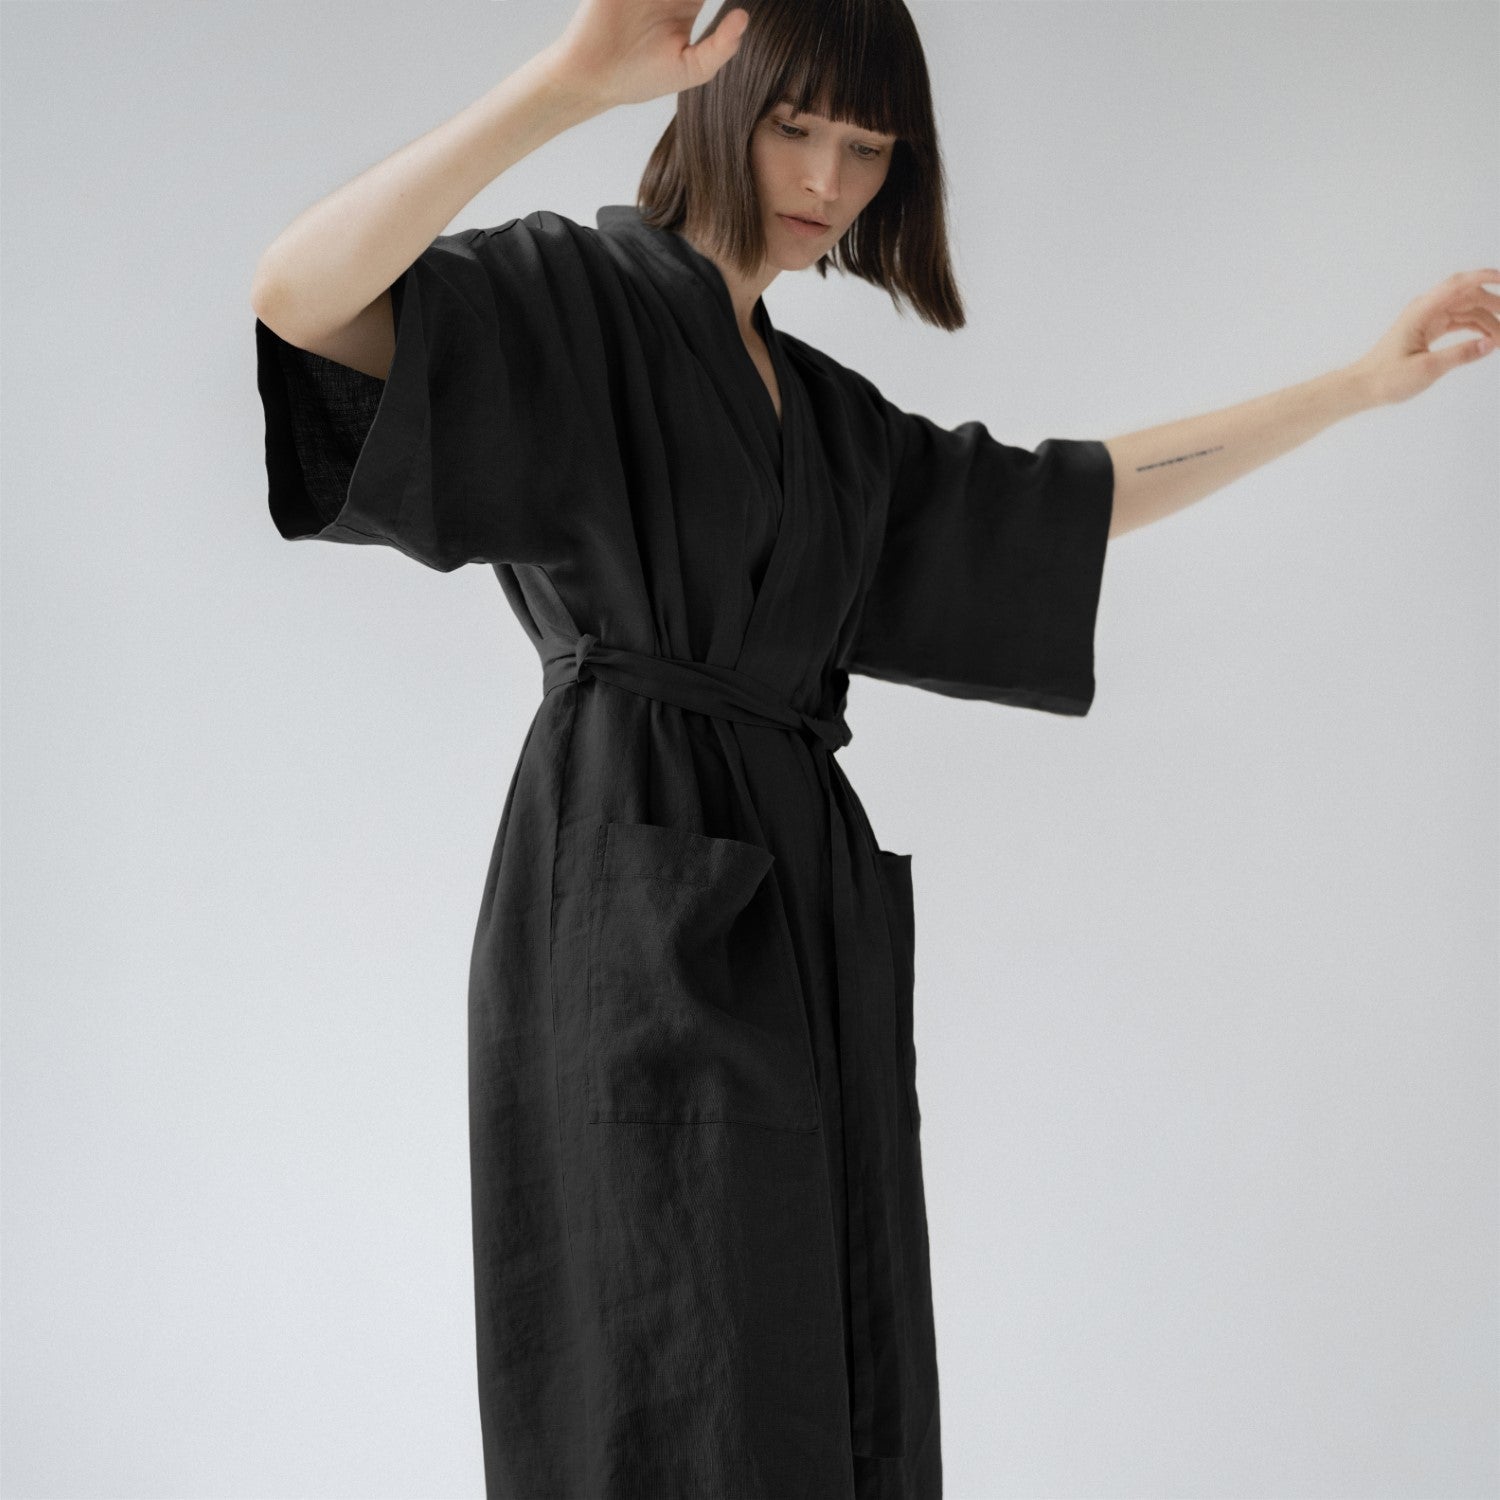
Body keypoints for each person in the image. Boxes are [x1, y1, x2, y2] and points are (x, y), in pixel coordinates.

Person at [250, 1, 1497, 1495]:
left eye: (867, 147)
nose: (827, 180)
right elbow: (301, 300)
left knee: (834, 1365)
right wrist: (562, 87)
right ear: (718, 105)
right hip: (633, 875)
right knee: (673, 1359)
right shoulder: (579, 303)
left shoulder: (832, 428)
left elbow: (1058, 503)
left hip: (804, 904)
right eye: (796, 127)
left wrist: (1357, 387)